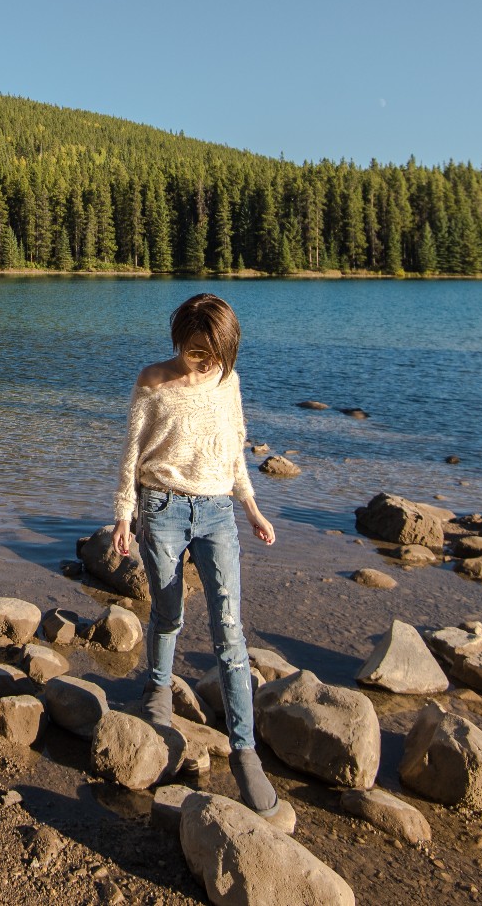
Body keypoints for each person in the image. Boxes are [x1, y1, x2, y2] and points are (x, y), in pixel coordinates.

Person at [111, 292, 282, 817]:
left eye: (214, 353)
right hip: (160, 508)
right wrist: (123, 514)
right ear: (179, 341)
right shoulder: (152, 381)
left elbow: (234, 448)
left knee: (230, 631)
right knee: (168, 613)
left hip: (216, 513)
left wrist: (251, 506)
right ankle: (158, 694)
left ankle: (244, 751)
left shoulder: (228, 382)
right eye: (195, 352)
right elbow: (132, 452)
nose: (205, 362)